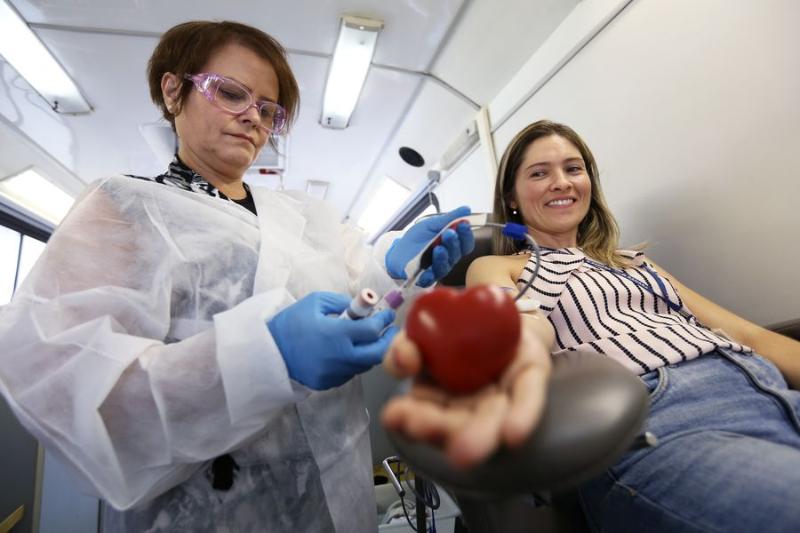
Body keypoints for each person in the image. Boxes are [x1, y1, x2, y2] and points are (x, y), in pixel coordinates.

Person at [0, 21, 475, 532]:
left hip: (344, 499)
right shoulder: (127, 209)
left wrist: (396, 267)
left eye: (268, 110)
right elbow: (73, 387)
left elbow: (360, 294)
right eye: (230, 93)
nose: (253, 117)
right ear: (173, 90)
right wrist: (265, 356)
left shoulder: (306, 215)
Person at [382, 120, 800, 531]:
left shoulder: (634, 261)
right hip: (663, 420)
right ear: (512, 198)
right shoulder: (499, 266)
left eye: (573, 168)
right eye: (539, 173)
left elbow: (747, 335)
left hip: (764, 385)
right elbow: (522, 328)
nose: (561, 182)